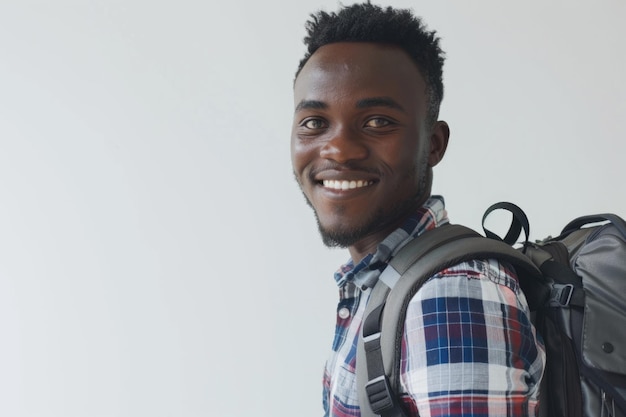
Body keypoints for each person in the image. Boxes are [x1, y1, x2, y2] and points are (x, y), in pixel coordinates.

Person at [290, 2, 545, 417]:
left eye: (377, 122)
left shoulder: (449, 293)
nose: (338, 149)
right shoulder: (382, 282)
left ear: (434, 144)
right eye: (315, 122)